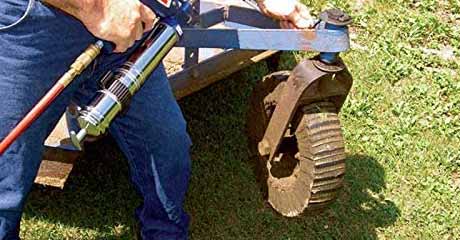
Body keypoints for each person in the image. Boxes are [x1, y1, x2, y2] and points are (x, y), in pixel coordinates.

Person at [0, 0, 313, 239]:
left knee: (167, 147)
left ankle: (164, 231)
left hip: (126, 29)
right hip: (33, 30)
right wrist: (95, 7)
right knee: (6, 178)